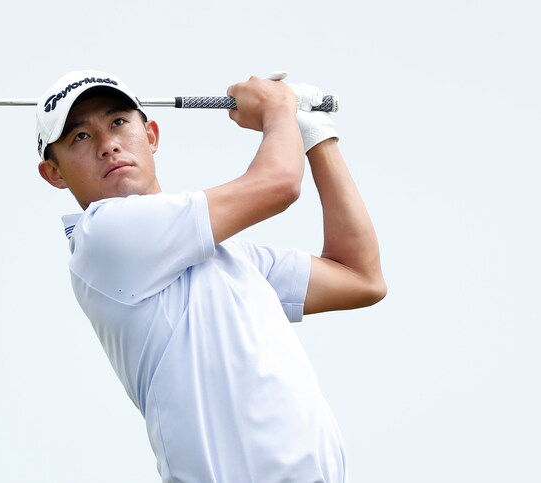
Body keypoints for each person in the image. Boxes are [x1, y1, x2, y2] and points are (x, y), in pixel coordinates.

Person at [35, 69, 386, 483]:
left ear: (151, 136)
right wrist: (278, 110)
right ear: (54, 174)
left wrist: (314, 134)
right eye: (80, 136)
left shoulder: (233, 260)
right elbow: (279, 184)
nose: (108, 144)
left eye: (118, 122)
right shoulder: (104, 236)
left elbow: (360, 277)